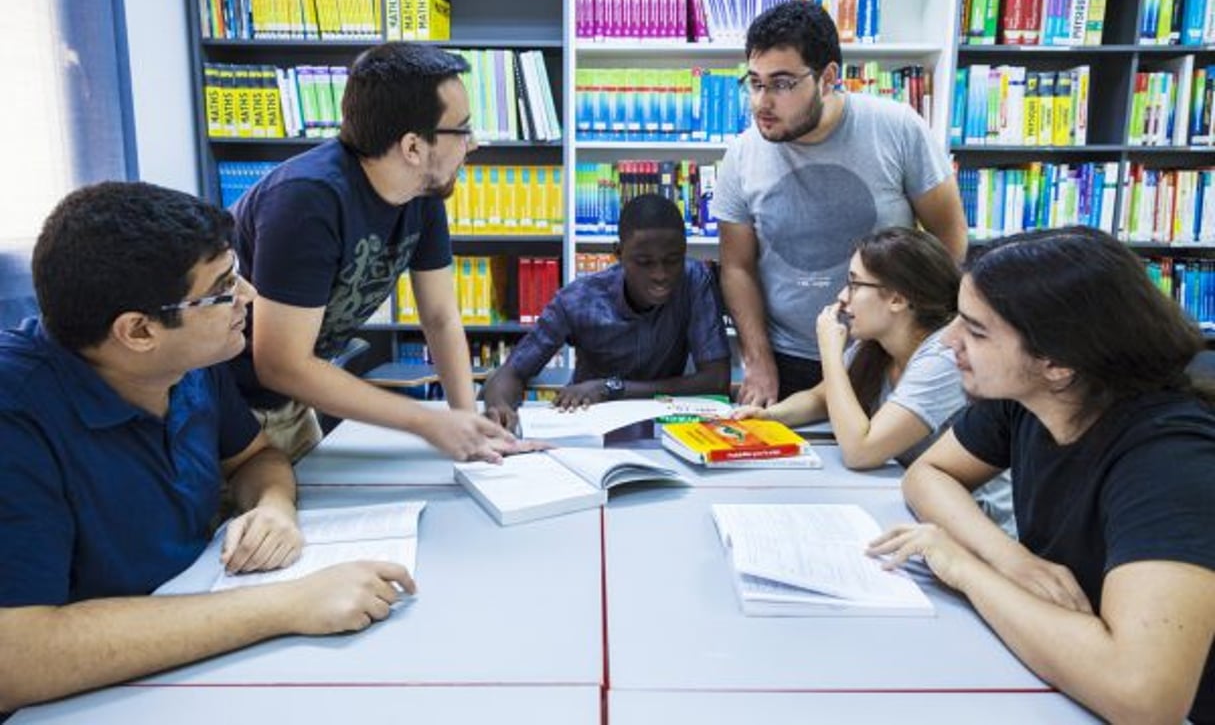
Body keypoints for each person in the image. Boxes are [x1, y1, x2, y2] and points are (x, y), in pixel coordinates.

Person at [0, 183, 413, 713]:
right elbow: (16, 657)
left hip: (185, 660)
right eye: (223, 289)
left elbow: (256, 458)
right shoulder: (17, 418)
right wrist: (286, 604)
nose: (250, 296)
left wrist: (273, 507)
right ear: (139, 331)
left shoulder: (192, 361)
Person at [868, 227, 1215, 724]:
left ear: (1056, 362)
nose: (949, 342)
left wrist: (966, 568)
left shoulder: (1170, 458)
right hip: (1066, 673)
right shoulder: (1028, 398)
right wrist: (1010, 560)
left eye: (976, 330)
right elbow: (928, 474)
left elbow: (1145, 697)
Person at [230, 42, 519, 462]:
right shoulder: (306, 201)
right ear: (413, 147)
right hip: (227, 408)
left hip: (291, 405)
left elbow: (439, 317)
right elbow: (279, 363)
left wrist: (469, 426)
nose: (473, 144)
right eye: (463, 129)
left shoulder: (423, 191)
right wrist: (426, 421)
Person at [715, 0, 968, 407]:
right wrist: (758, 361)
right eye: (755, 82)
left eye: (781, 84)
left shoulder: (897, 129)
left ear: (828, 77)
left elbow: (949, 237)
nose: (762, 102)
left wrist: (923, 338)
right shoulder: (742, 154)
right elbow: (737, 267)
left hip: (886, 356)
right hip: (787, 362)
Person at [734, 227, 1014, 532]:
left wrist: (829, 350)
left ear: (896, 298)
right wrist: (769, 416)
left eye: (854, 284)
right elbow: (820, 398)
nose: (842, 297)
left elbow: (861, 451)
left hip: (974, 524)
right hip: (914, 505)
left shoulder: (944, 357)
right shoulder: (877, 345)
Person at [481, 193, 731, 433]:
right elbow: (512, 371)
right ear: (619, 254)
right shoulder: (578, 300)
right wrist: (501, 408)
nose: (661, 275)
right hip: (588, 423)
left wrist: (611, 388)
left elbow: (717, 380)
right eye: (645, 262)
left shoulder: (694, 280)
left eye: (673, 260)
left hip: (662, 423)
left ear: (685, 250)